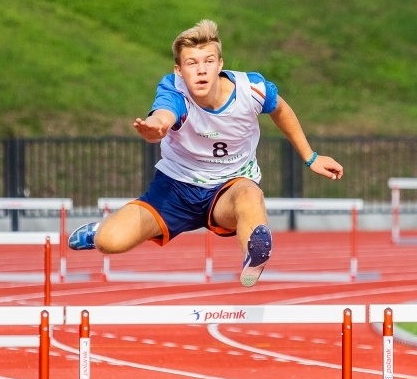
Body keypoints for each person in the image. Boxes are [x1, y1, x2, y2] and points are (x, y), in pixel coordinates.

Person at [68, 19, 344, 287]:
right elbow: (164, 114)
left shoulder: (251, 89)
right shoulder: (174, 91)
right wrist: (156, 127)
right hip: (176, 189)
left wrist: (311, 157)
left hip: (229, 187)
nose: (201, 71)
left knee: (249, 194)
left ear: (220, 64)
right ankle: (99, 231)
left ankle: (254, 256)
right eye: (192, 64)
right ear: (179, 70)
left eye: (208, 61)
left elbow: (280, 109)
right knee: (110, 242)